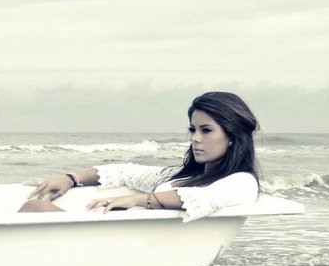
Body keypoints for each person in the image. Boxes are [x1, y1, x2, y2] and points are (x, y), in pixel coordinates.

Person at [19, 91, 261, 219]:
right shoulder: (177, 176)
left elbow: (205, 198)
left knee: (35, 208)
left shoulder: (242, 182)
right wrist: (71, 179)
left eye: (206, 130)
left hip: (128, 252)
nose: (195, 138)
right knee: (35, 206)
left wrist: (138, 200)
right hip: (117, 243)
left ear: (232, 135)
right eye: (192, 129)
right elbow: (126, 172)